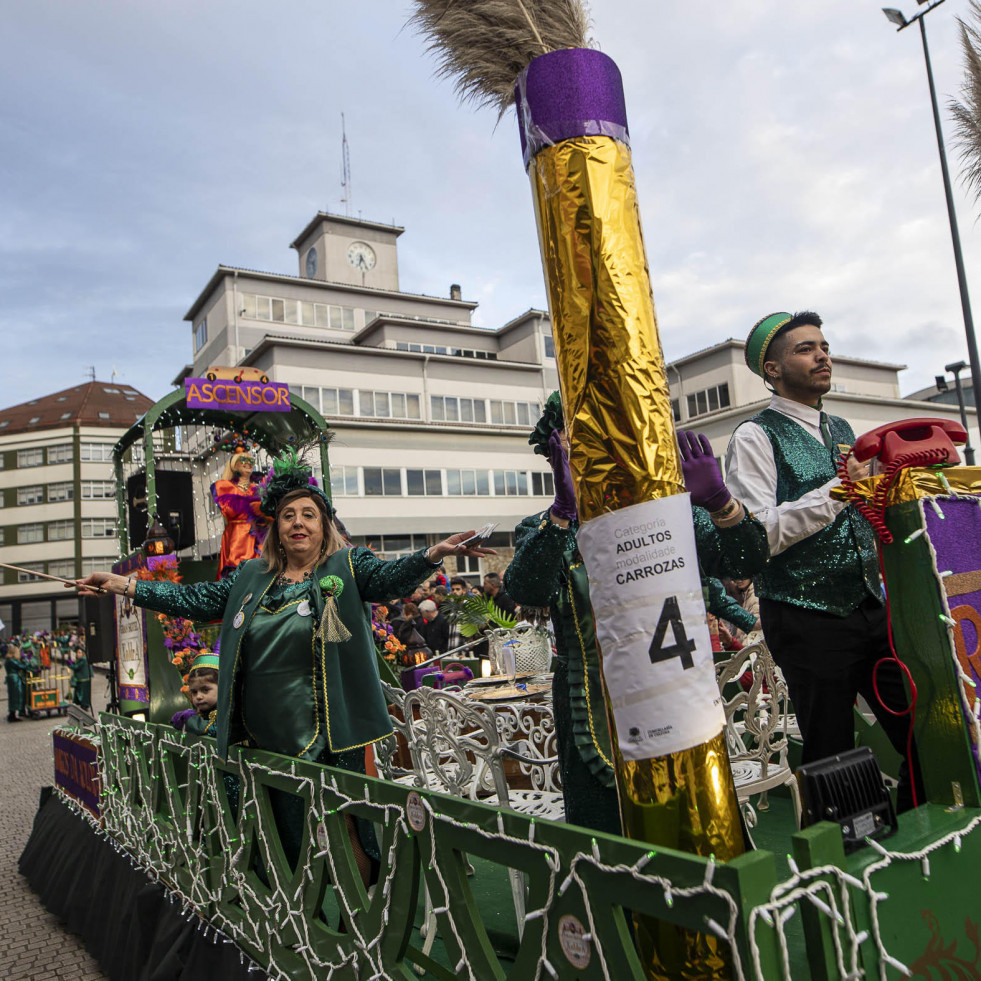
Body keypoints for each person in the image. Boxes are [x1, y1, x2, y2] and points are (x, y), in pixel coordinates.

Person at [76, 446, 494, 872]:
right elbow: (195, 598)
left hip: (331, 729)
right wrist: (124, 586)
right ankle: (301, 921)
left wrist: (433, 554)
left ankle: (359, 925)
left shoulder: (348, 566)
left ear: (323, 525)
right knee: (281, 835)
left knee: (347, 826)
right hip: (262, 733)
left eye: (308, 514)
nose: (298, 522)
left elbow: (389, 578)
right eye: (288, 515)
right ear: (275, 528)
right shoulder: (250, 577)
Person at [504, 393, 769, 833]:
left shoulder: (669, 508)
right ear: (558, 448)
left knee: (694, 822)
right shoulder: (544, 526)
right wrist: (563, 513)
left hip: (678, 693)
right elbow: (526, 588)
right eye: (583, 434)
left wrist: (721, 502)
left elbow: (748, 561)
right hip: (591, 704)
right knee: (606, 833)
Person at [725, 310, 924, 810]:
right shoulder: (755, 435)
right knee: (831, 745)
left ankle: (918, 827)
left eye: (825, 347)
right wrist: (839, 491)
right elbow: (758, 534)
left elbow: (858, 512)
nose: (822, 356)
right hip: (804, 614)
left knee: (920, 721)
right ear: (772, 370)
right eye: (805, 349)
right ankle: (847, 863)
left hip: (870, 606)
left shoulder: (840, 426)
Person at [211, 450, 271, 579]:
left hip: (259, 535)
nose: (248, 464)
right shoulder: (224, 486)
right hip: (237, 537)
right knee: (237, 572)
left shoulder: (258, 488)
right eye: (244, 460)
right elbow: (230, 511)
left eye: (251, 461)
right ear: (234, 465)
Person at [171, 652, 220, 737]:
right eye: (194, 692)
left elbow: (216, 730)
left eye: (205, 690)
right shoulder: (203, 712)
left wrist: (191, 721)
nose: (198, 697)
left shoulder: (232, 713)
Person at [4, 643, 26, 723]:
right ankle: (12, 715)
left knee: (12, 696)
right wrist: (26, 661)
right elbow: (22, 667)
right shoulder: (12, 661)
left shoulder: (8, 660)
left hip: (11, 679)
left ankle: (12, 713)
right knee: (16, 696)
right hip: (14, 679)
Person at [68, 645, 93, 711]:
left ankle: (84, 705)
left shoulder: (83, 660)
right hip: (81, 680)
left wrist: (70, 664)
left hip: (84, 680)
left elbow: (77, 667)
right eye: (77, 652)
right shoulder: (81, 660)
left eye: (79, 652)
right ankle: (81, 705)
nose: (77, 654)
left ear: (83, 653)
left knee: (83, 694)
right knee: (79, 693)